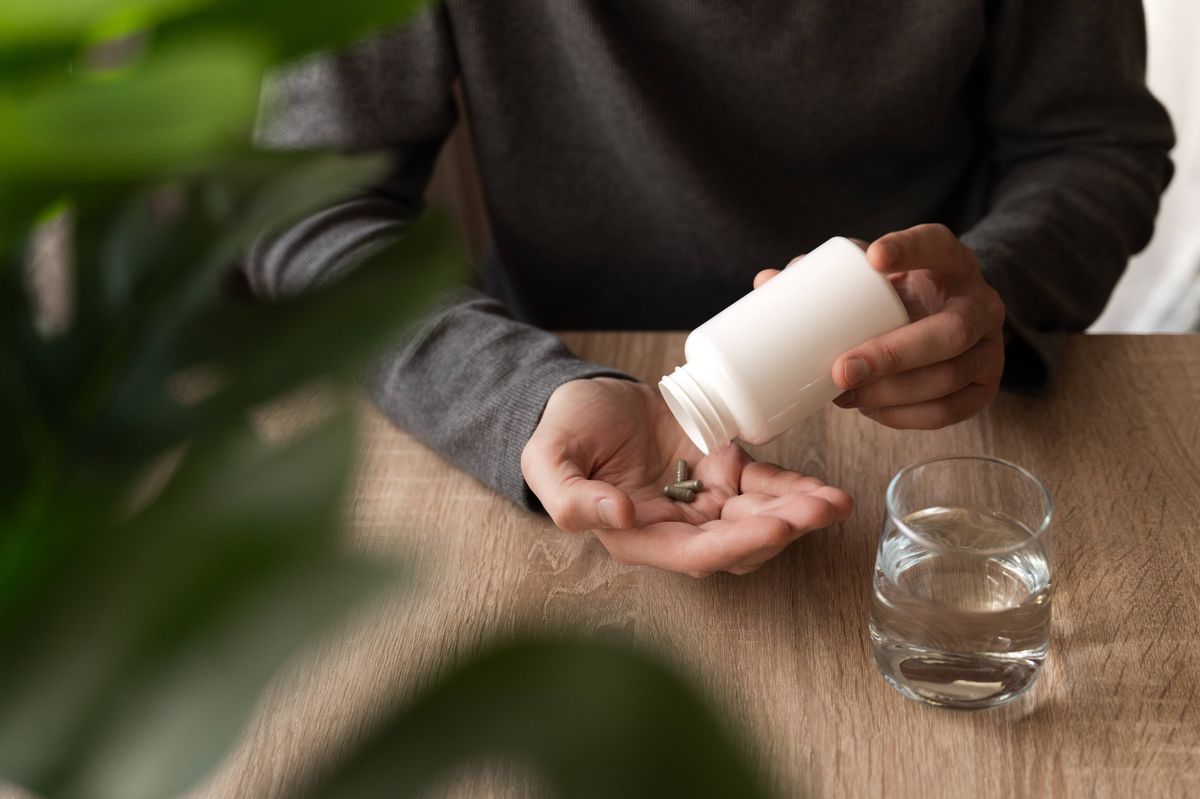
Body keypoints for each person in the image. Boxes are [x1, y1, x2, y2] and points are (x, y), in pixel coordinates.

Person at [247, 1, 1173, 577]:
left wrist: (990, 290)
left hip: (945, 421)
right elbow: (300, 211)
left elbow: (1094, 144)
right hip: (542, 396)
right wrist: (521, 397)